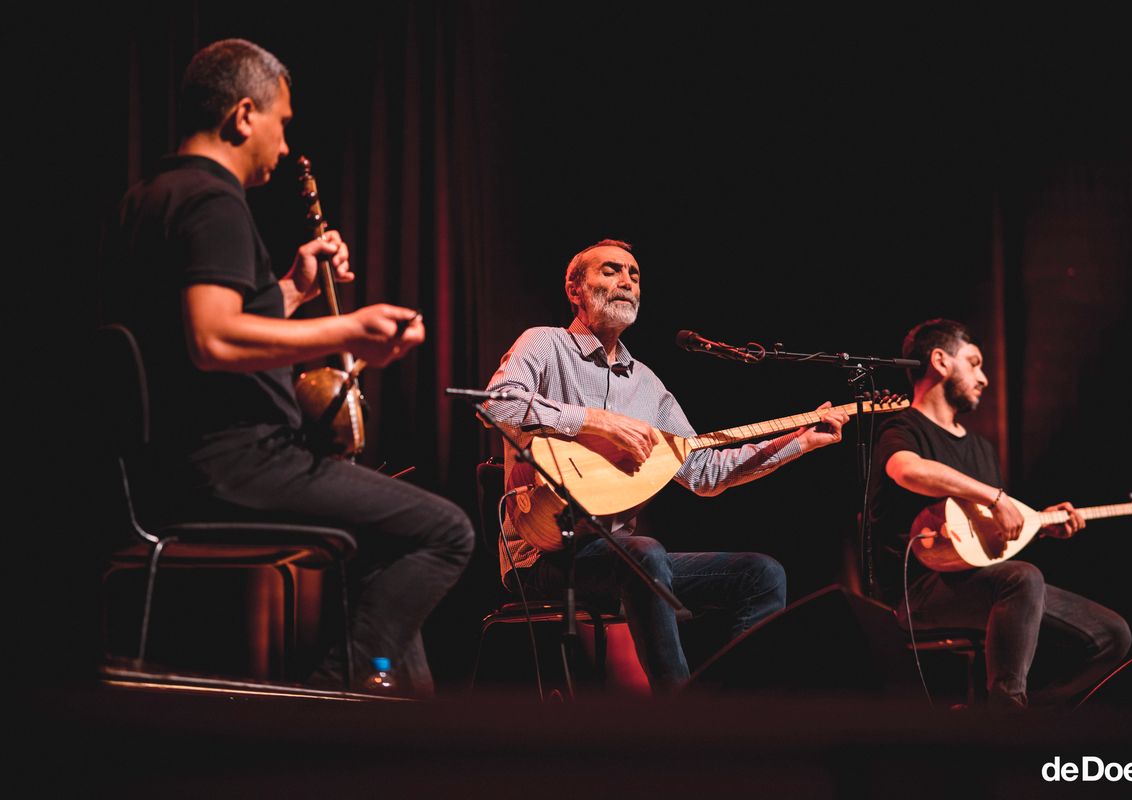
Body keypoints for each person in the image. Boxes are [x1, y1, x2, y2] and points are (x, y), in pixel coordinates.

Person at [100, 39, 473, 696]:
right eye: (282, 121)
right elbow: (212, 339)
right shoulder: (213, 201)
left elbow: (189, 328)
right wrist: (350, 329)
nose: (284, 142)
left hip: (170, 470)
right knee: (447, 532)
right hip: (234, 466)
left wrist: (295, 290)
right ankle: (331, 702)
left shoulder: (150, 197)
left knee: (391, 543)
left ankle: (402, 722)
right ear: (245, 115)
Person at [483, 239, 849, 694]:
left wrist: (799, 443)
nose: (626, 282)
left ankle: (739, 712)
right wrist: (595, 420)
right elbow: (497, 403)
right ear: (575, 289)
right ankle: (679, 713)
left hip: (624, 558)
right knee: (644, 552)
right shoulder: (544, 343)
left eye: (634, 275)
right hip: (546, 556)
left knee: (762, 574)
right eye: (611, 271)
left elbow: (704, 474)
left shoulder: (648, 386)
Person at [866, 318, 1131, 708]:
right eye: (974, 363)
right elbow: (908, 471)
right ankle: (1007, 714)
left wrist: (1036, 525)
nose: (984, 378)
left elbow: (986, 535)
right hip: (917, 593)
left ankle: (1021, 712)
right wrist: (995, 498)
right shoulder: (901, 429)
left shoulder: (982, 448)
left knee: (1112, 634)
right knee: (1022, 578)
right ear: (940, 361)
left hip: (986, 584)